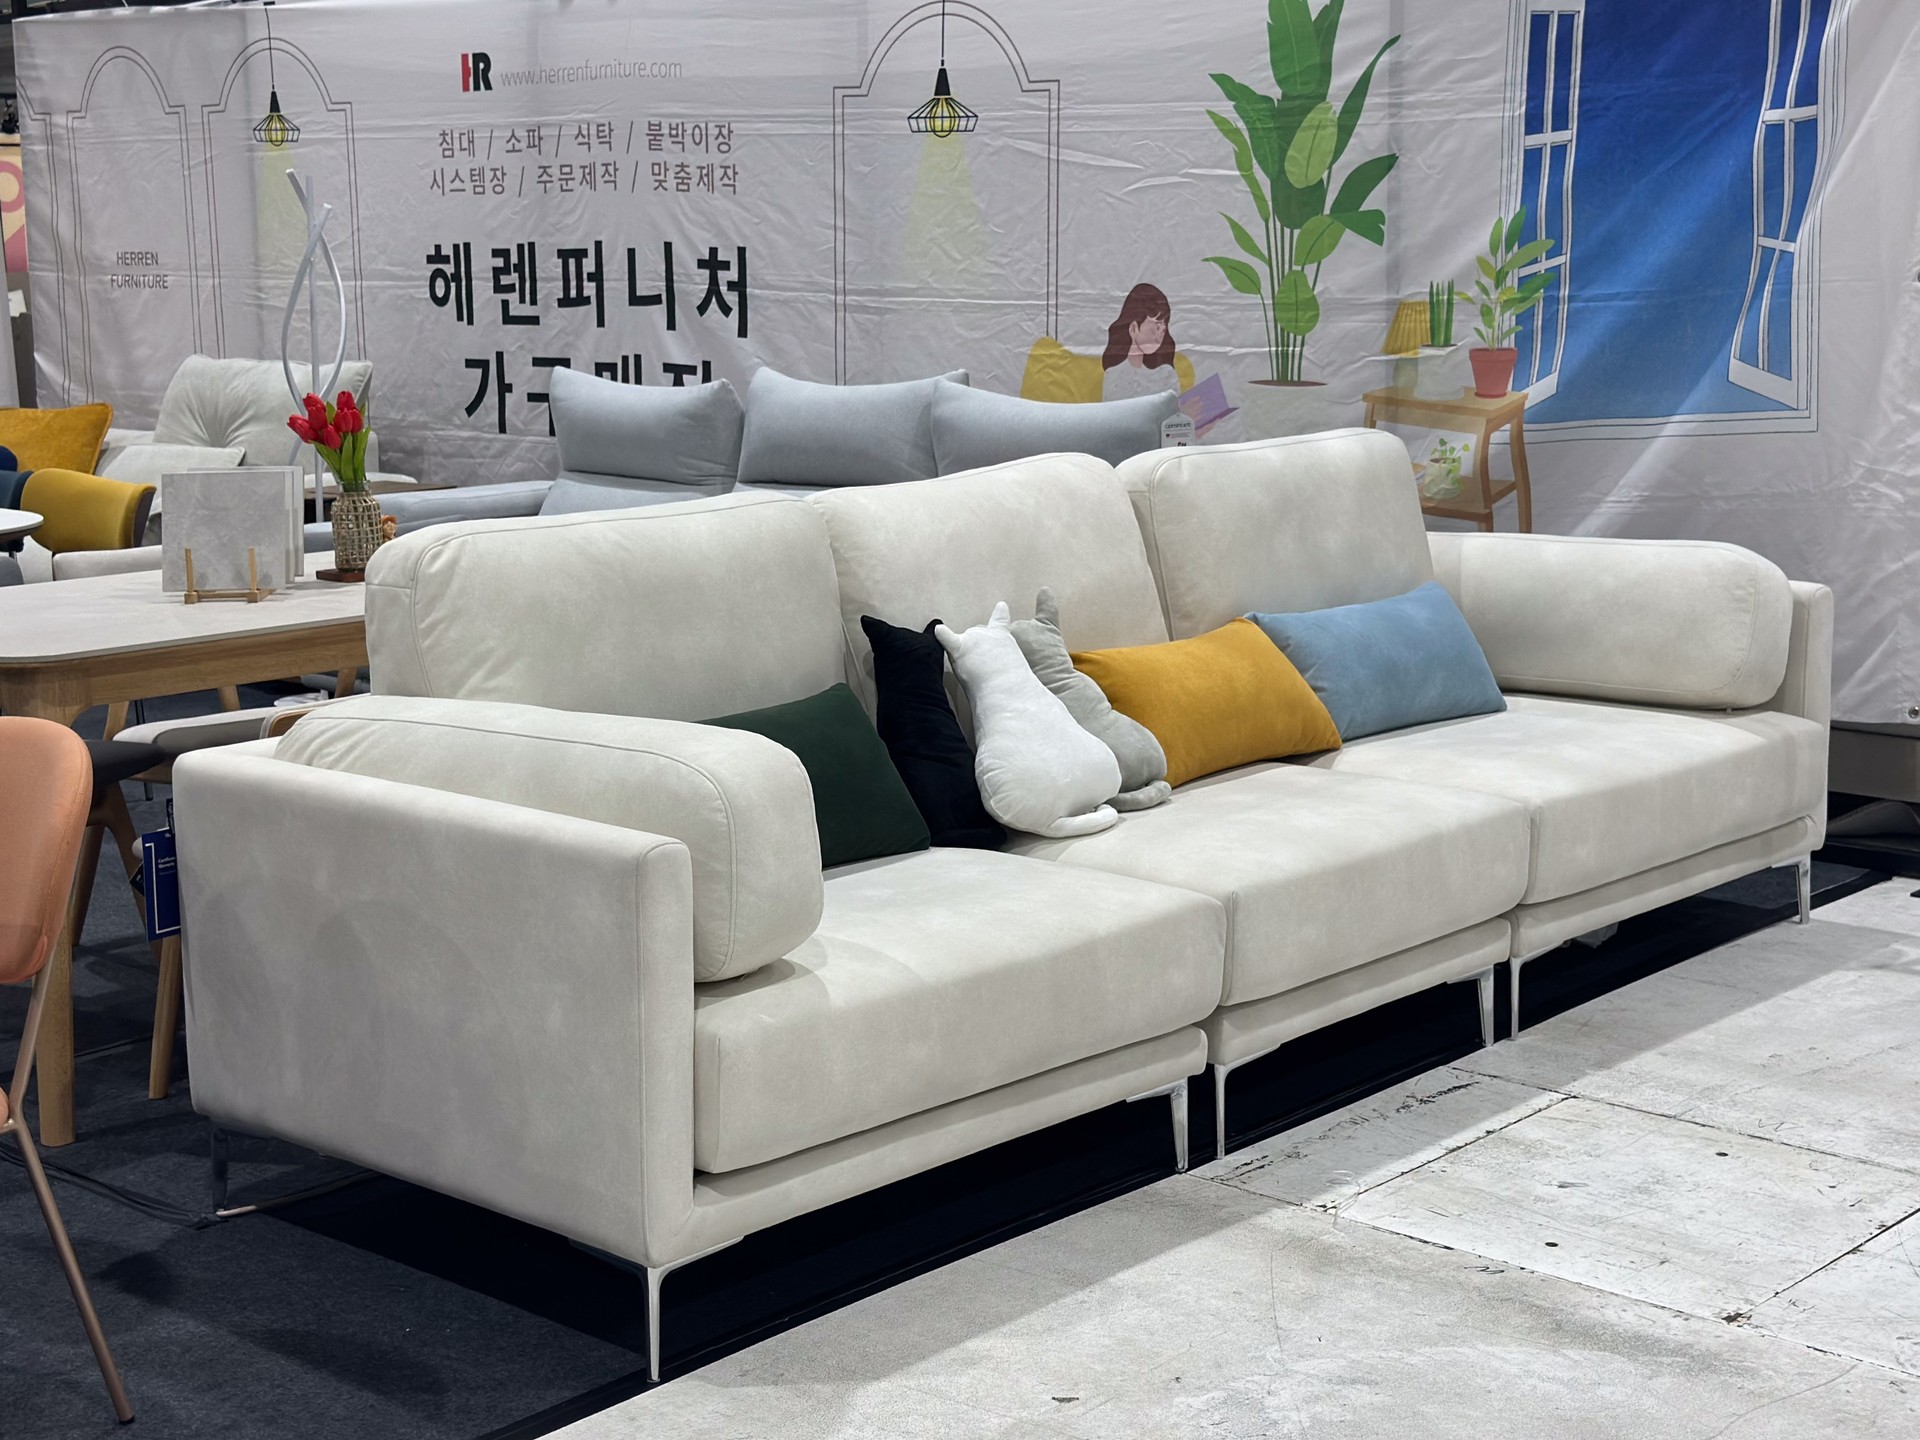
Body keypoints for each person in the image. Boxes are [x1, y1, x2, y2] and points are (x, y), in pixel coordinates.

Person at [1101, 283, 1181, 402]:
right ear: (1133, 328)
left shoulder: (1166, 374)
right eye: (1156, 326)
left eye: (1164, 326)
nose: (1161, 332)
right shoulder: (1113, 375)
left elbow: (1176, 409)